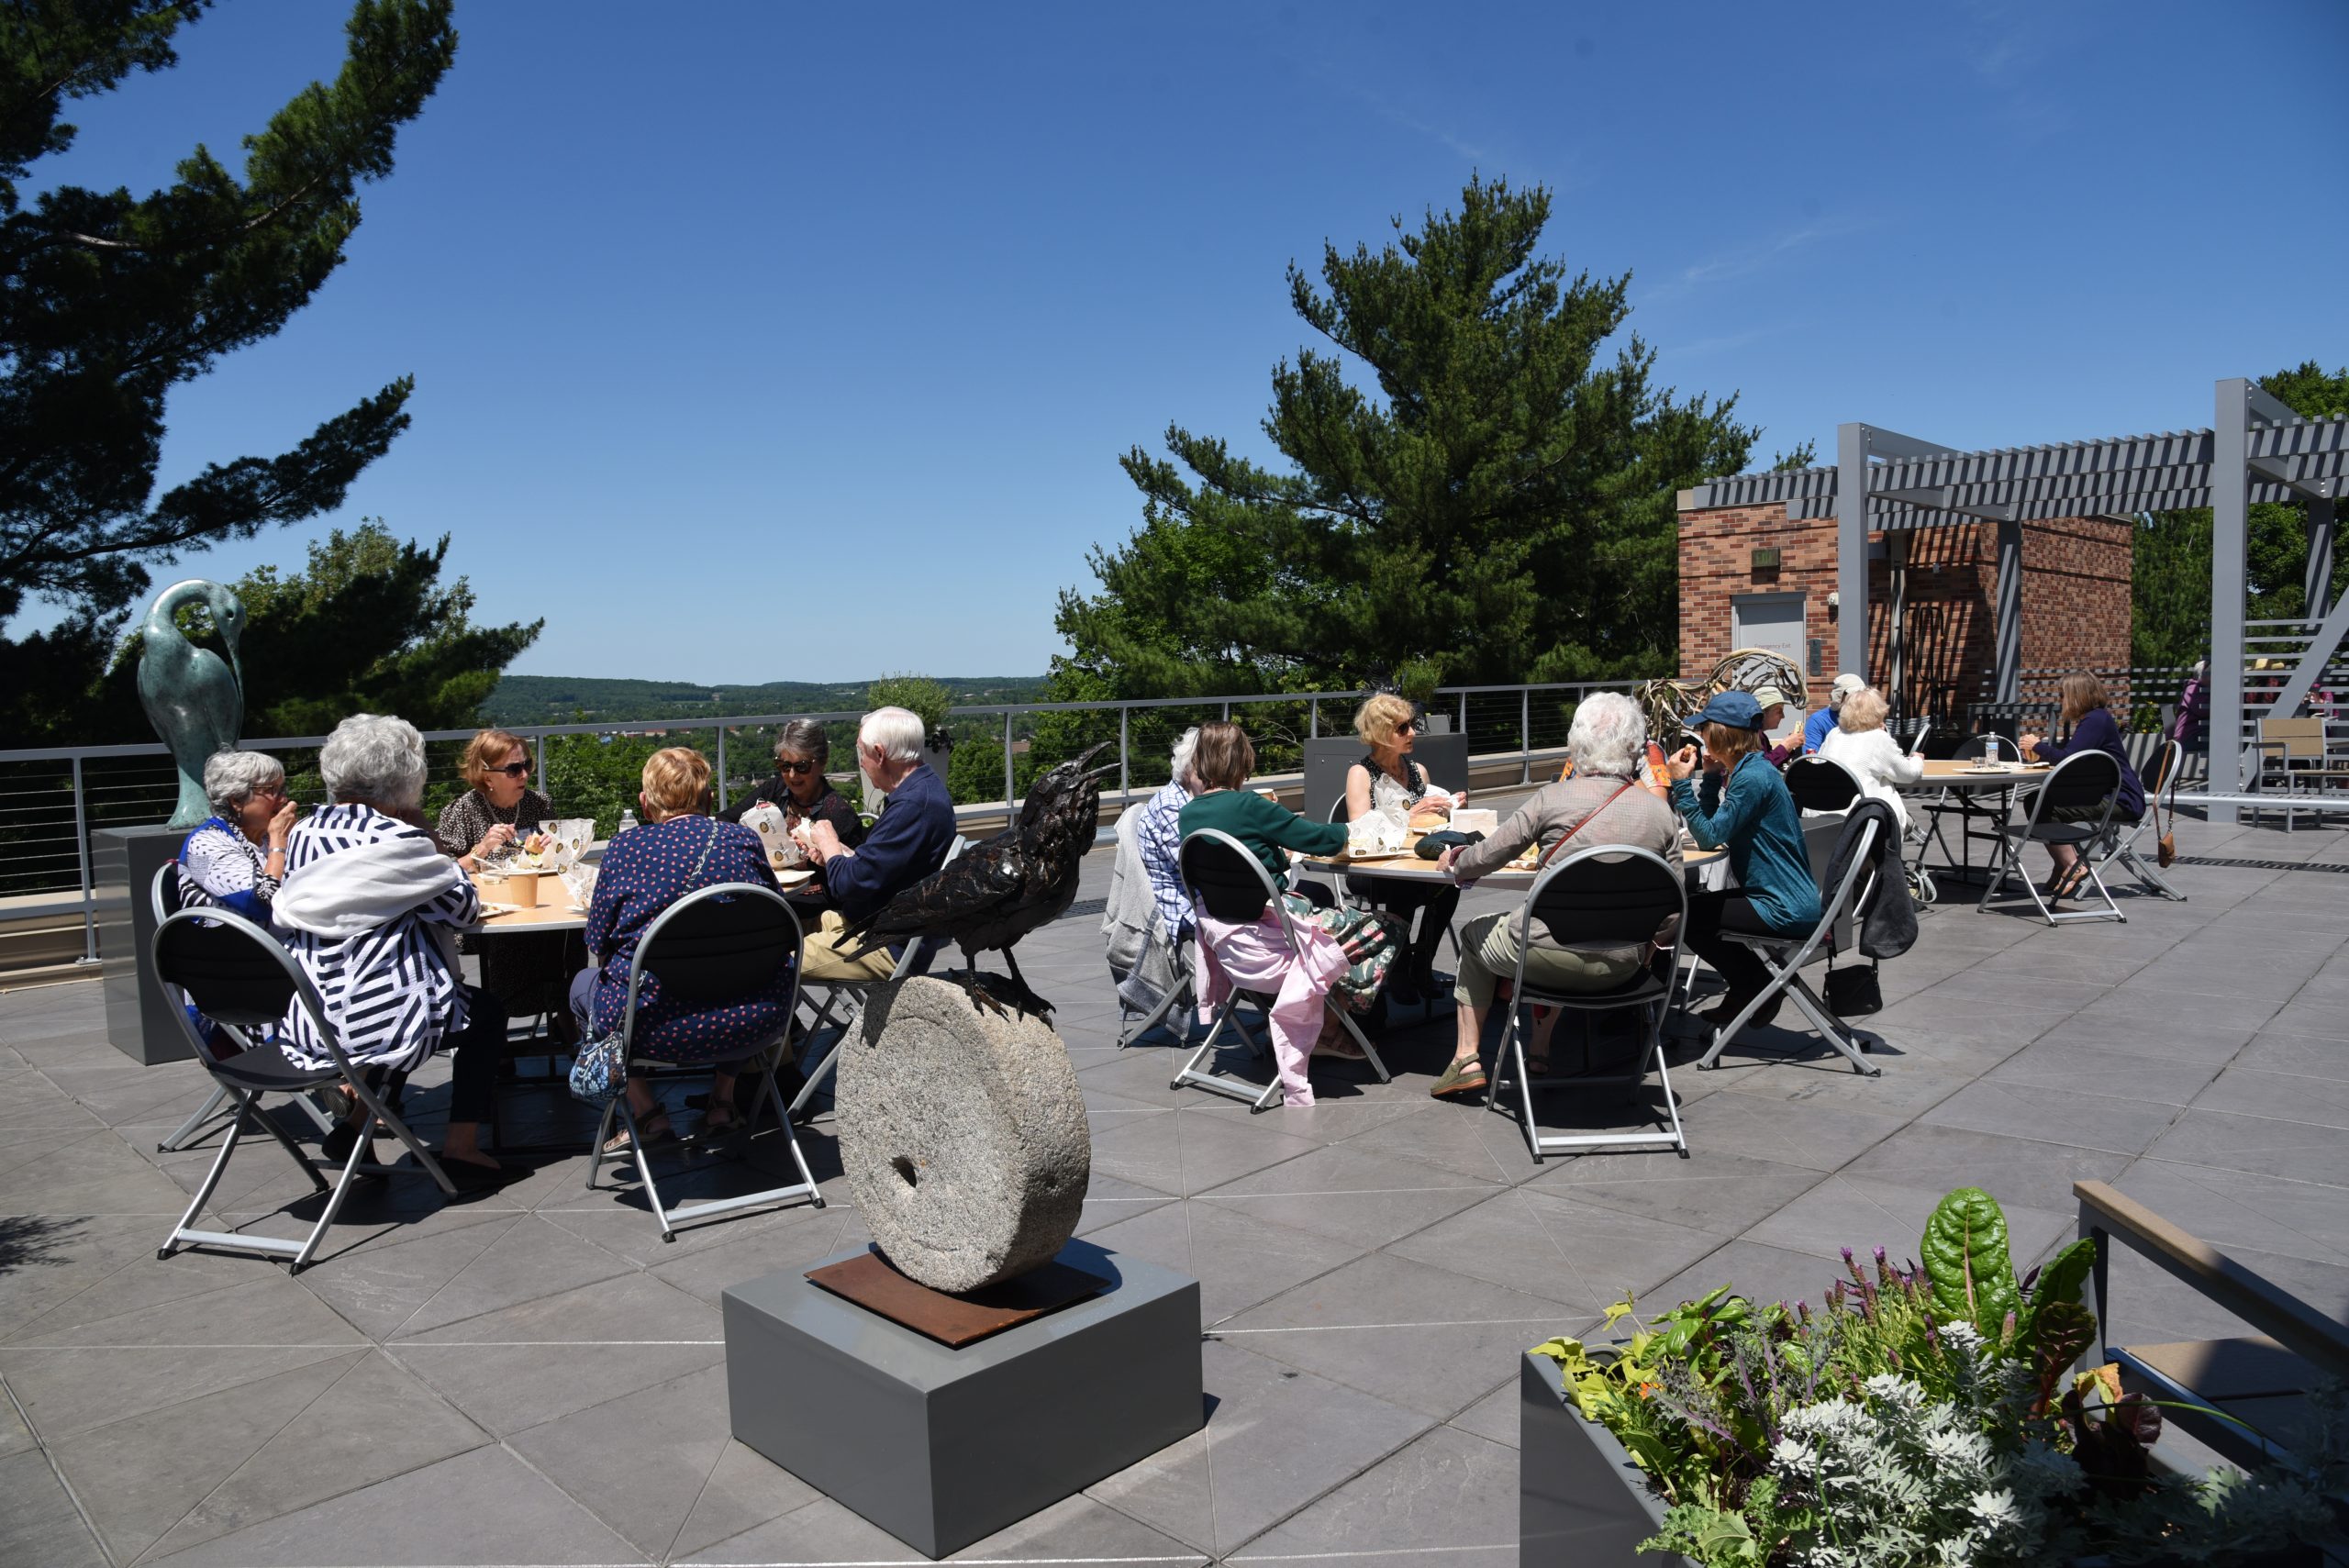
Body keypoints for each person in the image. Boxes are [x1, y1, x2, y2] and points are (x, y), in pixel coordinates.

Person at [270, 715, 519, 1187]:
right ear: (408, 778)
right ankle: (461, 1146)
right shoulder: (399, 839)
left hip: (309, 1015)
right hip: (375, 1016)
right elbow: (462, 910)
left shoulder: (302, 834)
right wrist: (425, 832)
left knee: (399, 984)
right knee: (481, 1013)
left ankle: (356, 1123)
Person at [1429, 693, 1683, 1099]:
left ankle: (1466, 1059)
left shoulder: (1551, 799)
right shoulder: (1661, 815)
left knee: (1477, 933)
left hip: (1543, 956)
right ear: (1636, 748)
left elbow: (1486, 857)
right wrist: (1648, 947)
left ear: (1576, 744)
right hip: (1623, 967)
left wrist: (1456, 861)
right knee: (1573, 926)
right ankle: (1540, 1049)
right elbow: (1674, 913)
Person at [572, 748, 789, 1148]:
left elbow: (598, 942)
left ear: (645, 802)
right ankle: (722, 1100)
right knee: (736, 973)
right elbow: (777, 922)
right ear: (708, 799)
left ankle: (646, 1113)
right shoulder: (743, 841)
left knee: (582, 985)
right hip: (754, 1019)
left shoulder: (625, 849)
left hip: (653, 1026)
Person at [1178, 722, 1397, 1101]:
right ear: (1244, 760)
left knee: (1318, 904)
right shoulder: (1250, 806)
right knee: (1389, 925)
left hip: (1229, 941)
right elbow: (1316, 838)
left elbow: (1252, 856)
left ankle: (1320, 1014)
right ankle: (1332, 1021)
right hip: (1272, 938)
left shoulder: (1189, 814)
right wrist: (1359, 828)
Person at [1665, 691, 1823, 1034]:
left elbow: (1707, 837)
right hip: (1780, 897)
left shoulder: (1752, 778)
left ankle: (1756, 986)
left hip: (1782, 907)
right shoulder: (1752, 771)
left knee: (1689, 916)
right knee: (1693, 909)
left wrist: (1680, 783)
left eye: (1704, 729)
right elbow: (1713, 828)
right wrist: (1708, 776)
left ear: (1720, 734)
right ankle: (1752, 986)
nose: (1700, 736)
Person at [796, 706, 957, 981]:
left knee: (771, 961)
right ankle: (794, 1026)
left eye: (862, 752)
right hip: (872, 923)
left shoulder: (913, 806)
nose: (860, 762)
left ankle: (779, 1024)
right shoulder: (924, 790)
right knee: (777, 929)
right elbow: (881, 867)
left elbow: (850, 885)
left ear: (880, 754)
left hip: (884, 945)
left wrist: (829, 842)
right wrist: (838, 854)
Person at [438, 728, 575, 1036]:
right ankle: (499, 1025)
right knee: (513, 943)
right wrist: (481, 850)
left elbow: (554, 855)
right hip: (492, 910)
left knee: (571, 934)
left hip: (540, 899)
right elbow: (444, 871)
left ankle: (566, 1011)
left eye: (527, 765)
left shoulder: (539, 804)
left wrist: (552, 847)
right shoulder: (462, 811)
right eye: (514, 769)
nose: (524, 774)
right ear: (487, 776)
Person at [1342, 694, 1464, 1004]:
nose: (1412, 733)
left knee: (1451, 885)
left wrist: (1448, 809)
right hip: (1371, 868)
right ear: (1381, 732)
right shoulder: (1361, 774)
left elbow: (1425, 825)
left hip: (1412, 862)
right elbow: (1359, 828)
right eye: (1403, 728)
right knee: (1406, 889)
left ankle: (1421, 963)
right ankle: (1396, 968)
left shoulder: (1417, 772)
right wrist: (1412, 813)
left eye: (1411, 726)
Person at [2018, 673, 2144, 900]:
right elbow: (2076, 760)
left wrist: (2037, 746)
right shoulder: (2097, 719)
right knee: (2037, 800)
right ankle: (2063, 863)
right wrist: (2044, 754)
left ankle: (2071, 864)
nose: (2061, 700)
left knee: (2040, 803)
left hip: (2121, 800)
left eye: (2063, 695)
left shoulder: (2095, 721)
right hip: (2109, 795)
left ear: (2076, 696)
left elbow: (2070, 758)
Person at [176, 750, 299, 924]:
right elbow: (264, 903)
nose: (284, 799)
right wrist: (279, 843)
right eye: (273, 790)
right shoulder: (205, 843)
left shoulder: (265, 836)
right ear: (236, 801)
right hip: (235, 947)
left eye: (283, 789)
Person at [718, 719, 867, 850]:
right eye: (784, 766)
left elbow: (853, 872)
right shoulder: (774, 789)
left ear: (823, 762)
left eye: (802, 766)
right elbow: (724, 820)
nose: (792, 775)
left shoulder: (839, 814)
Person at [1814, 685, 1925, 831]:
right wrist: (1917, 759)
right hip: (1862, 818)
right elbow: (1907, 775)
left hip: (1821, 812)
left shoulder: (1834, 734)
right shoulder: (1878, 738)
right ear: (1878, 712)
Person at [1802, 673, 1866, 755]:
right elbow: (1810, 758)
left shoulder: (1869, 719)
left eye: (1862, 696)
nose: (1858, 700)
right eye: (1852, 696)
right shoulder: (1818, 721)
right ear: (1838, 696)